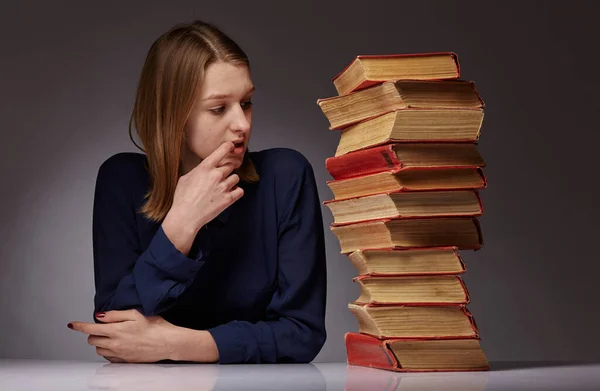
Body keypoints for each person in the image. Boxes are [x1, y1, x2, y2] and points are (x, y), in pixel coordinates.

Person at [67, 20, 327, 364]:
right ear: (173, 115)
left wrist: (178, 344)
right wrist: (180, 225)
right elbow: (114, 332)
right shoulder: (121, 179)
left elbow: (302, 333)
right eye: (219, 108)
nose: (243, 124)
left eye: (246, 102)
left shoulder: (285, 176)